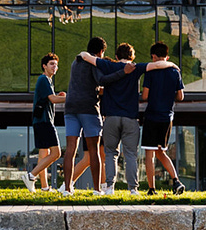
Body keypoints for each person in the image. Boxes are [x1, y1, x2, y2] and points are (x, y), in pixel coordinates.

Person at [68, 42, 175, 194]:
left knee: (111, 153)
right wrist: (173, 65)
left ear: (117, 56)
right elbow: (157, 66)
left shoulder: (108, 65)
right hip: (130, 118)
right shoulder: (135, 68)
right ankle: (133, 189)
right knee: (130, 154)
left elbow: (89, 58)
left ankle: (110, 187)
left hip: (111, 118)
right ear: (132, 57)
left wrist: (83, 53)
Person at [57, 36, 136, 196]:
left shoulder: (75, 62)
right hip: (88, 108)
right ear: (101, 51)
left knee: (71, 149)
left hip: (71, 107)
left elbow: (85, 83)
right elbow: (102, 80)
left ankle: (67, 189)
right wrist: (123, 72)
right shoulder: (92, 62)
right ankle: (96, 189)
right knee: (94, 150)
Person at [140, 41, 186, 196]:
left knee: (149, 153)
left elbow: (145, 95)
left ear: (153, 56)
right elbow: (180, 96)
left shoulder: (151, 72)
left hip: (152, 114)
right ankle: (176, 180)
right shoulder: (175, 72)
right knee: (161, 151)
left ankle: (152, 189)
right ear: (167, 56)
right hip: (167, 116)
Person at [24, 53, 66, 191]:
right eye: (52, 64)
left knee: (44, 153)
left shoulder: (47, 81)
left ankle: (44, 187)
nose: (55, 67)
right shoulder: (43, 79)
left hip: (40, 121)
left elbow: (50, 98)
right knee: (56, 153)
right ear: (44, 66)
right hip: (45, 121)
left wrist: (58, 96)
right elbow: (53, 100)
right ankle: (31, 175)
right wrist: (72, 98)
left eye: (56, 65)